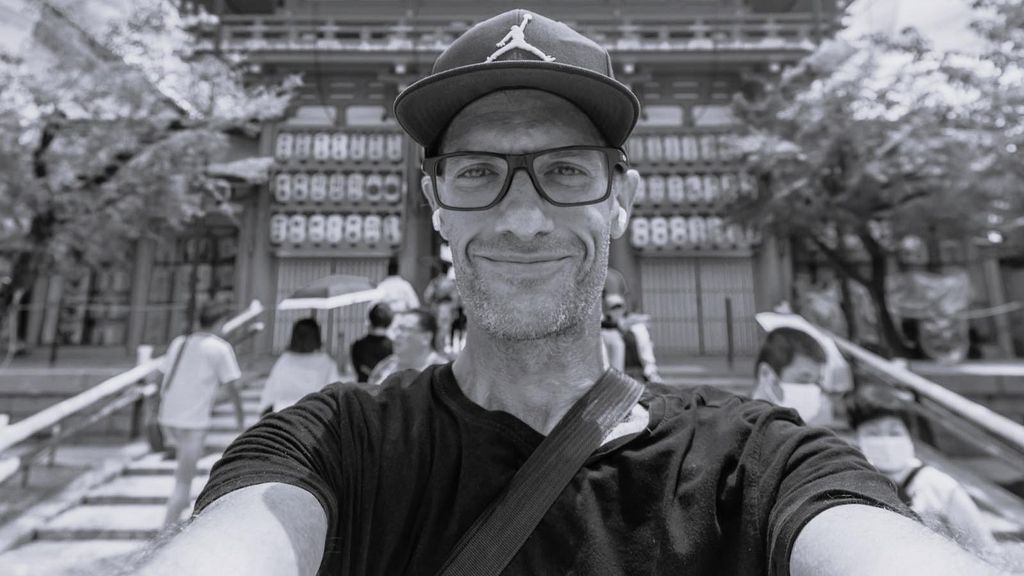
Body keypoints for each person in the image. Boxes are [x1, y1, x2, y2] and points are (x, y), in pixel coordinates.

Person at [126, 11, 1011, 576]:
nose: (522, 219)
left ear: (623, 198)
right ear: (434, 202)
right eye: (478, 172)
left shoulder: (752, 465)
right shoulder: (334, 448)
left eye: (565, 171)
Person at [847, 384, 997, 555]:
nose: (885, 440)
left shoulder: (940, 487)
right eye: (873, 433)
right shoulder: (855, 485)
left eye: (894, 432)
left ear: (909, 435)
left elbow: (984, 550)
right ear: (856, 437)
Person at [156, 300, 244, 528]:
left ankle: (178, 515)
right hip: (192, 422)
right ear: (221, 322)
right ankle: (164, 533)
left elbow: (161, 376)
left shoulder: (180, 342)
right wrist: (240, 421)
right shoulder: (220, 348)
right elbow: (233, 388)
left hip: (169, 418)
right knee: (183, 483)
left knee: (184, 474)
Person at [751, 327, 834, 426]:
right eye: (803, 380)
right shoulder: (742, 428)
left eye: (817, 382)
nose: (814, 390)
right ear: (766, 374)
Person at [258, 318, 341, 415]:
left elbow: (268, 398)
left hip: (283, 414)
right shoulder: (326, 362)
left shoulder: (284, 361)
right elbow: (334, 395)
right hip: (314, 416)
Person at [367, 308, 449, 385]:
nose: (397, 335)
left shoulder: (441, 374)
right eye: (396, 329)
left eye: (404, 329)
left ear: (426, 337)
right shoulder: (386, 367)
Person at [601, 292, 662, 383]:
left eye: (619, 307)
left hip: (639, 375)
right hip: (618, 377)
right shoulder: (604, 333)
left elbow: (646, 352)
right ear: (606, 311)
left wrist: (651, 371)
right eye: (613, 308)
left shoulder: (637, 329)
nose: (617, 310)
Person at [349, 303, 394, 383]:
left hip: (363, 388)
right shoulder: (393, 347)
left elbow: (357, 371)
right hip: (385, 389)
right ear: (389, 322)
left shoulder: (357, 346)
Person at [422, 262, 460, 352]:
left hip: (436, 308)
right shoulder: (451, 283)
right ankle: (440, 349)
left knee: (436, 329)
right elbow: (455, 300)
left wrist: (433, 302)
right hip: (446, 309)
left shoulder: (435, 282)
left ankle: (435, 348)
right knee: (444, 330)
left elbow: (427, 297)